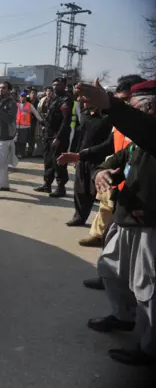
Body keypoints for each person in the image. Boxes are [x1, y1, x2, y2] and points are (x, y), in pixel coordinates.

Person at [80, 79, 156, 366]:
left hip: (149, 223)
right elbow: (117, 160)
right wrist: (103, 172)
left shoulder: (148, 132)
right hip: (127, 216)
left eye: (137, 106)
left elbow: (144, 130)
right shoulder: (139, 138)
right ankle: (124, 316)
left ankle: (150, 349)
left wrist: (111, 106)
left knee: (148, 288)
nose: (133, 111)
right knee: (108, 268)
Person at [57, 102, 113, 227]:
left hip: (99, 159)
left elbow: (109, 144)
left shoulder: (106, 117)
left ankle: (102, 225)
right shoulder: (84, 115)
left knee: (96, 191)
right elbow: (79, 136)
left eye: (88, 99)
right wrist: (75, 154)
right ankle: (79, 217)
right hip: (82, 157)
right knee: (80, 189)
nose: (85, 102)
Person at [34, 77, 72, 198]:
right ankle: (47, 184)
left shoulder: (67, 99)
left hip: (59, 135)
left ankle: (61, 188)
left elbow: (66, 121)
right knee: (48, 160)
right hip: (48, 134)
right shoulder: (53, 98)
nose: (56, 87)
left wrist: (58, 137)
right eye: (54, 85)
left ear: (64, 86)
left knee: (59, 162)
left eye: (59, 85)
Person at [15, 92, 43, 159]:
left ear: (26, 97)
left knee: (22, 142)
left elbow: (36, 114)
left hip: (25, 127)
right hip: (16, 126)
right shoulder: (16, 105)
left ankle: (21, 154)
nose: (23, 98)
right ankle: (15, 154)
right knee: (15, 141)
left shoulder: (29, 105)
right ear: (19, 97)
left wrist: (42, 121)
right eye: (21, 96)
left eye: (24, 96)